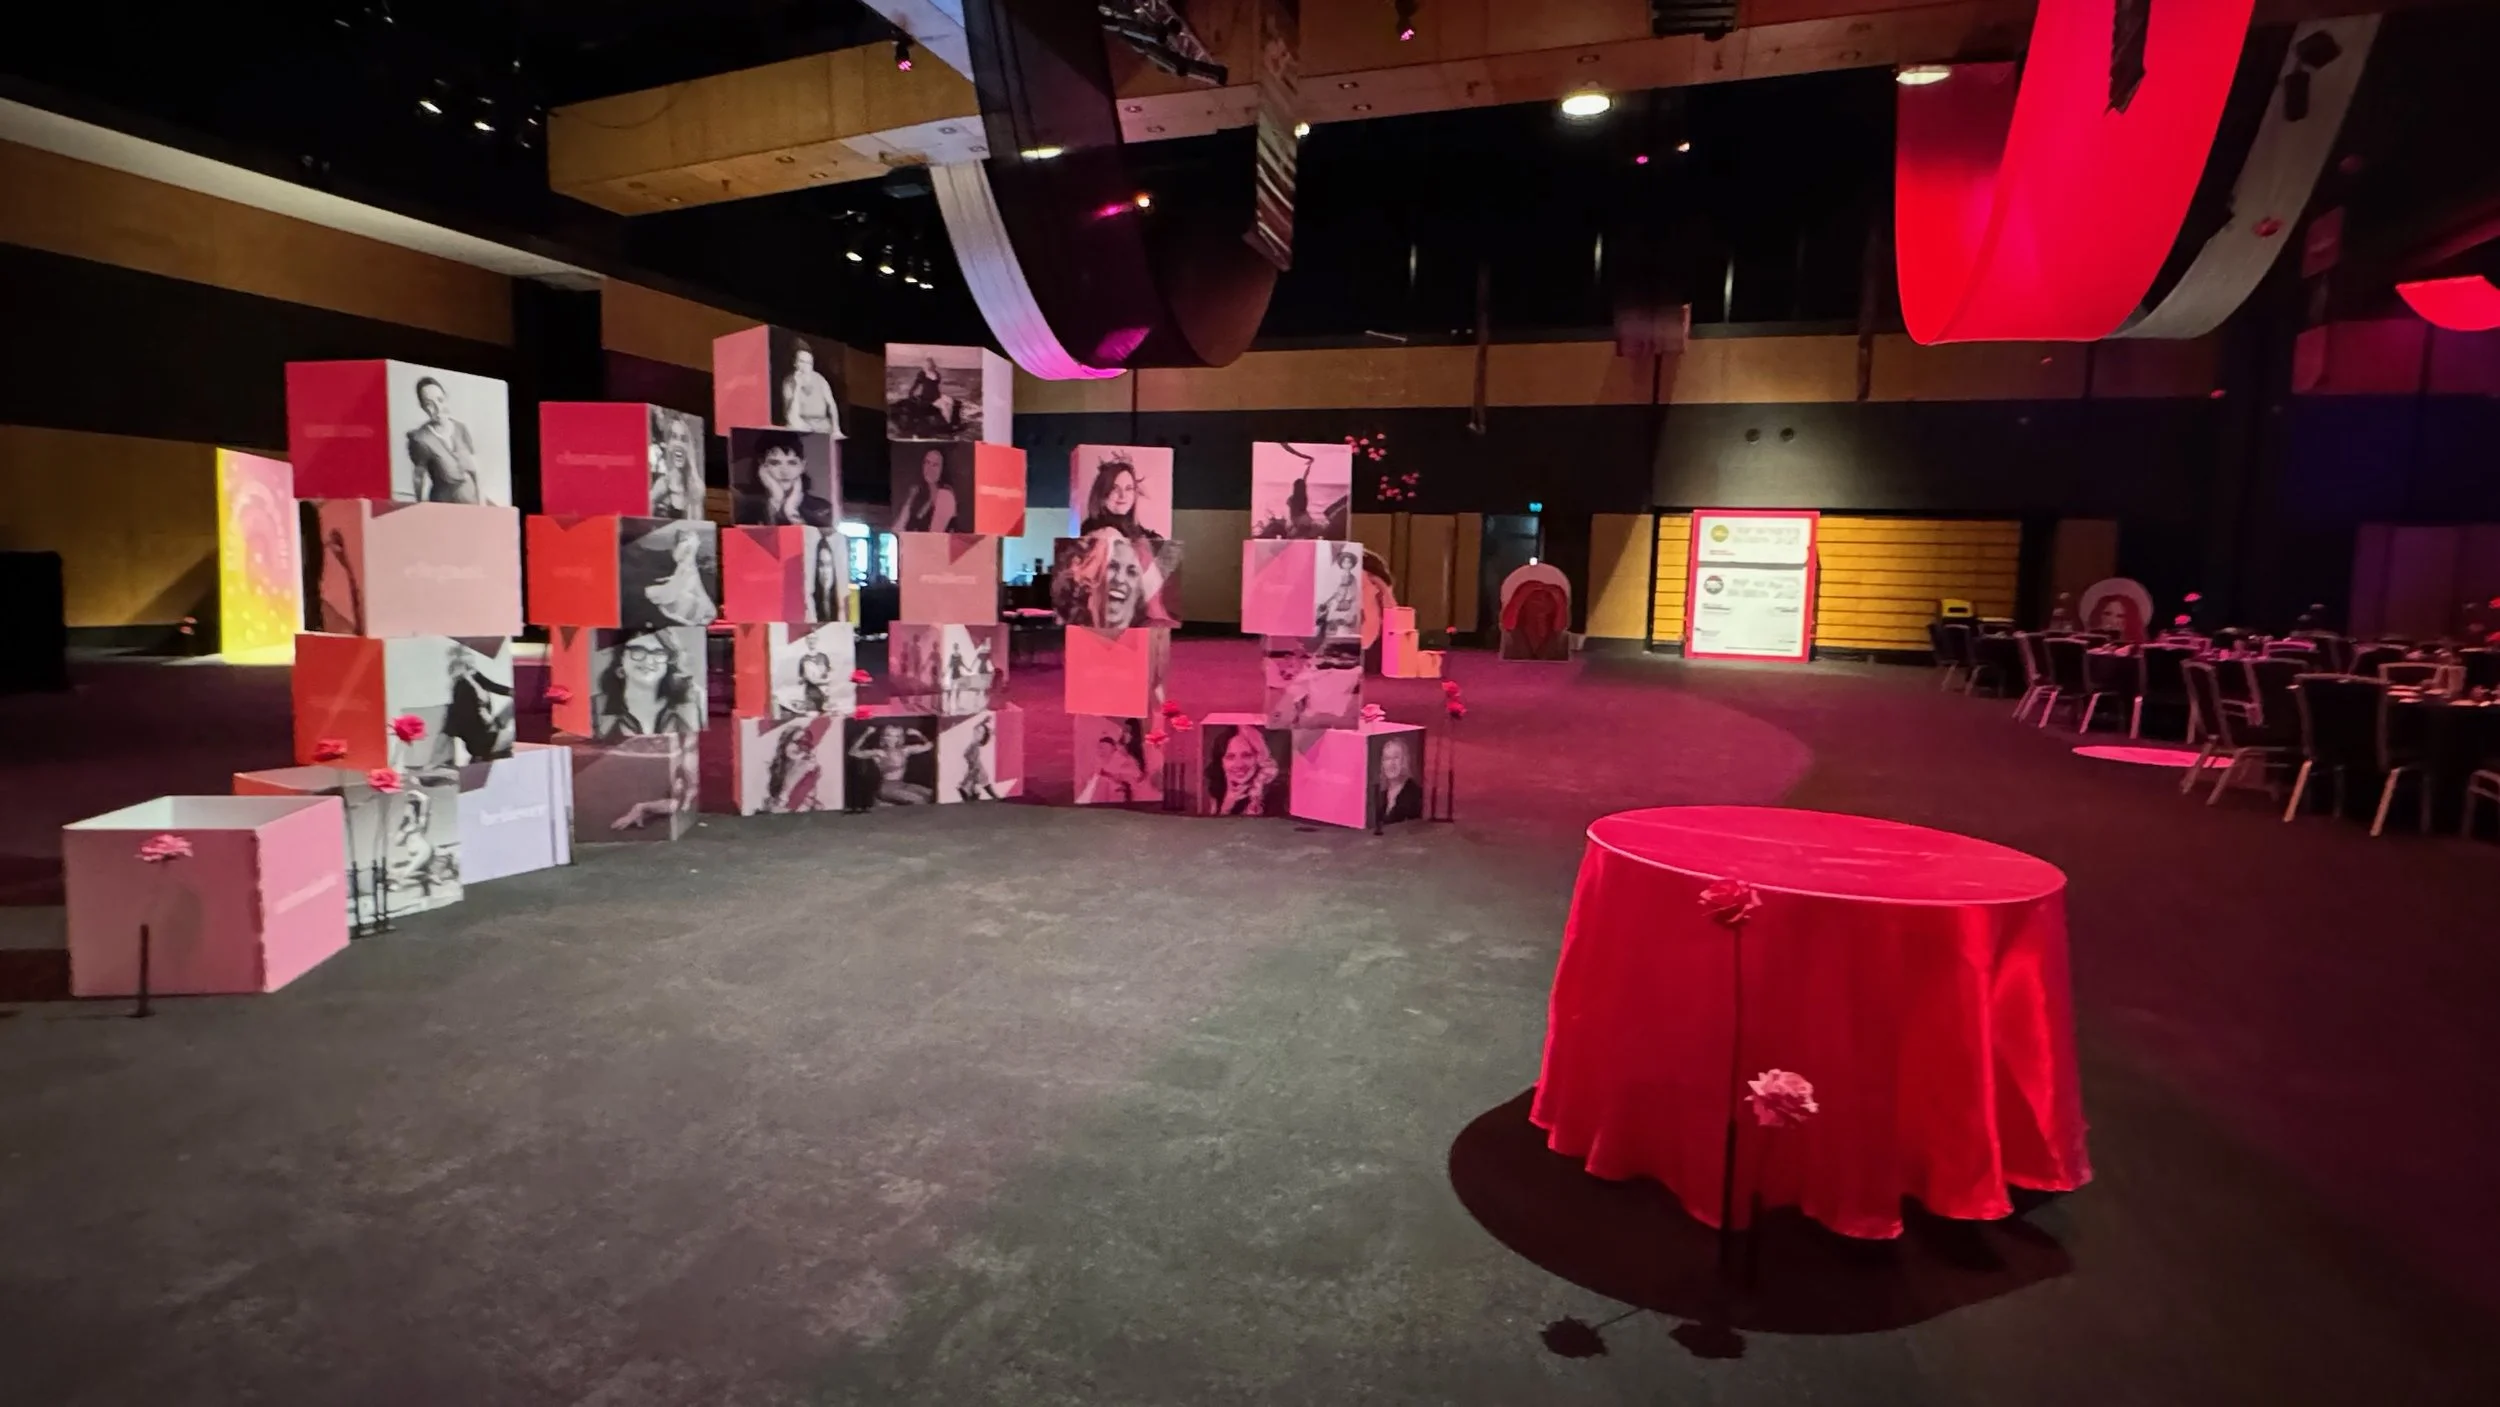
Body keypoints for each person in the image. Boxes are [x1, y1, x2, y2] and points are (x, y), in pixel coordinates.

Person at [597, 630, 703, 736]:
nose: (649, 661)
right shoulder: (596, 707)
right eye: (638, 651)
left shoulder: (692, 704)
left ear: (669, 661)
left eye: (658, 653)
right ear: (621, 657)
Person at [404, 376, 483, 503]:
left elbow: (475, 470)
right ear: (423, 407)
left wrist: (482, 503)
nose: (438, 408)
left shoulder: (461, 428)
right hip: (443, 506)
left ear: (446, 399)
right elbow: (419, 478)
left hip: (471, 503)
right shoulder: (420, 438)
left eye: (440, 400)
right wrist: (421, 508)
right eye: (429, 404)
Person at [441, 642, 514, 764]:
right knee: (513, 738)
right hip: (482, 739)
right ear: (460, 660)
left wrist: (514, 692)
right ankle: (485, 757)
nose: (473, 657)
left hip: (489, 726)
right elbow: (466, 720)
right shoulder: (461, 687)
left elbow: (493, 686)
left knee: (512, 707)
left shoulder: (474, 676)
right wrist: (489, 726)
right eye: (468, 654)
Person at [641, 526, 718, 626]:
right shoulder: (693, 541)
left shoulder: (685, 544)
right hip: (687, 567)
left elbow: (677, 556)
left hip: (685, 567)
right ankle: (688, 608)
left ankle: (686, 607)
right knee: (689, 585)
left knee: (687, 586)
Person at [1203, 724, 1282, 816]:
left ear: (1259, 758)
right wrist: (1226, 806)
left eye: (1247, 755)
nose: (1239, 764)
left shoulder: (1275, 794)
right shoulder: (1218, 790)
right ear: (1221, 762)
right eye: (1230, 757)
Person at [1078, 455, 1161, 543]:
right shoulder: (1097, 531)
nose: (1122, 495)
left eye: (1128, 488)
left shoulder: (1137, 530)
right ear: (1101, 493)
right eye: (1115, 488)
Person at [849, 722, 934, 805]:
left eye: (896, 736)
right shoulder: (880, 753)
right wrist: (866, 734)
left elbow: (929, 746)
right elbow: (853, 752)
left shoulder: (905, 750)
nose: (892, 739)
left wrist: (918, 734)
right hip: (887, 787)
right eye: (889, 736)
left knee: (931, 793)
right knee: (919, 800)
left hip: (901, 784)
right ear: (884, 737)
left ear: (900, 738)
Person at [648, 409, 703, 519]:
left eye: (683, 439)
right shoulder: (662, 485)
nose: (679, 444)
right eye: (674, 437)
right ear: (668, 445)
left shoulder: (696, 488)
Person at [765, 718, 830, 812]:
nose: (799, 747)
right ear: (785, 743)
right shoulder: (778, 769)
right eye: (795, 742)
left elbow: (795, 805)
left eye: (804, 743)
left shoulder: (809, 769)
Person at [1079, 719, 1150, 804]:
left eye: (1128, 732)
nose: (1125, 734)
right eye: (1124, 731)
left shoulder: (1131, 757)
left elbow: (1135, 776)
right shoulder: (1117, 751)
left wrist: (1110, 774)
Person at [781, 341, 841, 435]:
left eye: (809, 363)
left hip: (822, 427)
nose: (805, 367)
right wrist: (797, 387)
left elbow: (832, 406)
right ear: (795, 363)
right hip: (801, 427)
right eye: (802, 362)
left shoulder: (820, 380)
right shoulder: (788, 382)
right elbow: (791, 417)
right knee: (792, 426)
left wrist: (837, 430)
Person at [895, 447, 959, 532]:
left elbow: (934, 535)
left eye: (935, 465)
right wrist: (910, 500)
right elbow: (897, 529)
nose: (930, 468)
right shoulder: (917, 493)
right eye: (927, 462)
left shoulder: (946, 496)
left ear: (943, 469)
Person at [1316, 544, 1362, 638]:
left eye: (1349, 562)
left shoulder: (1353, 578)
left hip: (1347, 600)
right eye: (1344, 562)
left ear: (1352, 564)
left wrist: (1348, 598)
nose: (1346, 565)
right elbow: (1334, 589)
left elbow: (1354, 591)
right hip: (1337, 597)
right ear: (1341, 563)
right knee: (1328, 611)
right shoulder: (1337, 576)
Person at [1375, 735, 1423, 824]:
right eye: (1387, 758)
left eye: (1396, 758)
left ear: (1405, 760)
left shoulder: (1415, 794)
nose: (1391, 763)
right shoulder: (1381, 796)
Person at [955, 715, 999, 802]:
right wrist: (984, 721)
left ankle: (970, 791)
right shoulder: (975, 742)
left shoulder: (978, 740)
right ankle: (969, 790)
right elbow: (976, 728)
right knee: (979, 773)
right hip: (973, 755)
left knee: (977, 775)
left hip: (973, 756)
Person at [812, 532, 844, 623]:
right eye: (821, 565)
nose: (826, 571)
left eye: (829, 565)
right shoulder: (811, 606)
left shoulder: (840, 602)